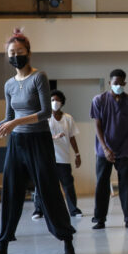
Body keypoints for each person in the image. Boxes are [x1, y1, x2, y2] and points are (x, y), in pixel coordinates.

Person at [0, 29, 76, 254]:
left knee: (49, 191)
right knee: (10, 192)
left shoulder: (38, 77)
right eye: (11, 52)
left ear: (29, 53)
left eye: (19, 52)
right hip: (17, 143)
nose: (15, 56)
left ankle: (67, 243)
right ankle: (2, 246)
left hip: (38, 142)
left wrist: (16, 122)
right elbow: (6, 119)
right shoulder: (9, 85)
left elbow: (44, 113)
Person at [90, 69, 128, 229]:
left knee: (126, 184)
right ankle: (100, 219)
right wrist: (105, 149)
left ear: (125, 83)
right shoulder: (99, 100)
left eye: (121, 83)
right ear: (109, 83)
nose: (118, 86)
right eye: (115, 83)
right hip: (104, 150)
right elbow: (97, 126)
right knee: (102, 184)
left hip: (125, 149)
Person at [31, 90, 84, 220]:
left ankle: (74, 209)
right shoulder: (45, 118)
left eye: (57, 100)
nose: (55, 102)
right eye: (52, 100)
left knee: (68, 185)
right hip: (46, 157)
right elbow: (39, 137)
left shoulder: (68, 118)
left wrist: (77, 154)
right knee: (41, 185)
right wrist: (54, 137)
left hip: (63, 158)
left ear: (62, 102)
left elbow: (72, 138)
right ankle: (38, 210)